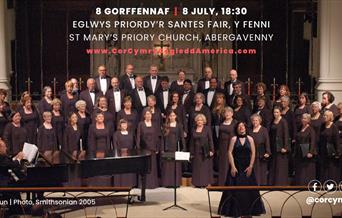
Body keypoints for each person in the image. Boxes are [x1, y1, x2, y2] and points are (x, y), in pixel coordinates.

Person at [218, 122, 265, 217]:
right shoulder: (234, 139)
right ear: (237, 129)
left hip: (247, 167)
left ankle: (249, 209)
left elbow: (253, 153)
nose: (241, 128)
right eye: (239, 126)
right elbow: (230, 152)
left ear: (245, 128)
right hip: (237, 166)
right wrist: (233, 166)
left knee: (249, 189)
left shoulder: (250, 139)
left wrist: (251, 166)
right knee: (234, 189)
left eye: (243, 126)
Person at [136, 109, 161, 189]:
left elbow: (157, 137)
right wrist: (138, 147)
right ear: (144, 115)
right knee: (145, 167)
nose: (148, 115)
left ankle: (152, 184)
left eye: (149, 114)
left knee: (152, 166)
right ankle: (144, 184)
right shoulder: (141, 124)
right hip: (144, 148)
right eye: (147, 114)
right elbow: (138, 136)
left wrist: (157, 147)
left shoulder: (154, 124)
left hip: (153, 148)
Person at [160, 110, 186, 187]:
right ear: (168, 117)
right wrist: (162, 149)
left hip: (176, 147)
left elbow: (182, 137)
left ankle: (176, 183)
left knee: (176, 166)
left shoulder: (179, 125)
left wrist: (183, 148)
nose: (172, 117)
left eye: (173, 115)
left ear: (176, 116)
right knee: (168, 166)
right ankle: (167, 183)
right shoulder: (165, 125)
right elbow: (162, 139)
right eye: (170, 116)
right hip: (167, 147)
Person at [190, 113, 214, 187]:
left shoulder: (207, 129)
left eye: (201, 120)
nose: (199, 121)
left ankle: (205, 183)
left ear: (204, 121)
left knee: (204, 168)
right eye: (198, 120)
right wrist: (191, 153)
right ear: (196, 121)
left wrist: (212, 150)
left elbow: (210, 140)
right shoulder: (193, 129)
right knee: (197, 167)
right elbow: (191, 142)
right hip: (196, 151)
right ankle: (197, 183)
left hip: (205, 151)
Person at [269, 106, 290, 185]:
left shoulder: (283, 121)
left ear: (280, 112)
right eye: (274, 112)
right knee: (274, 164)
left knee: (280, 165)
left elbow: (286, 134)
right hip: (274, 146)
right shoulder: (273, 120)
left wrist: (285, 147)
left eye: (277, 112)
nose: (275, 114)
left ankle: (280, 183)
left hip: (281, 147)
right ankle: (273, 182)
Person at [113, 119, 136, 187]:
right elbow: (115, 145)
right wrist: (117, 154)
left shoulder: (131, 133)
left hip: (129, 154)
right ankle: (120, 185)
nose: (124, 125)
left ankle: (129, 184)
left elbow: (133, 144)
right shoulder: (116, 134)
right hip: (120, 155)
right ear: (120, 125)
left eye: (125, 124)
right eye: (123, 124)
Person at [294, 113, 316, 185]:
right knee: (300, 169)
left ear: (308, 120)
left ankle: (306, 184)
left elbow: (313, 141)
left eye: (305, 118)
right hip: (299, 151)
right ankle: (299, 183)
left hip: (306, 152)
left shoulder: (311, 129)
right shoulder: (300, 127)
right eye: (302, 118)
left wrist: (311, 152)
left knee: (306, 169)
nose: (303, 119)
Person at [319, 110, 340, 182]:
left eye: (326, 116)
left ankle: (331, 183)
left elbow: (337, 140)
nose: (324, 117)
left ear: (330, 117)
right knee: (323, 168)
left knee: (331, 168)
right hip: (323, 150)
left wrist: (338, 152)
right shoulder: (322, 125)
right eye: (324, 115)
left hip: (331, 151)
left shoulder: (334, 127)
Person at [249, 114, 271, 186]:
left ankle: (262, 184)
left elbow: (267, 141)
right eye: (253, 120)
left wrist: (268, 151)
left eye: (256, 120)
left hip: (261, 152)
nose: (255, 122)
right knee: (254, 169)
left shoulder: (264, 130)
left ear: (259, 121)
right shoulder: (250, 130)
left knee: (262, 169)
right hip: (252, 152)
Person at [217, 107, 237, 185]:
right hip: (222, 146)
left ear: (232, 114)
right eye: (225, 112)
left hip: (231, 145)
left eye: (229, 112)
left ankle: (231, 183)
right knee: (223, 164)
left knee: (230, 163)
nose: (227, 114)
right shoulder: (222, 122)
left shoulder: (235, 123)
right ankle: (222, 183)